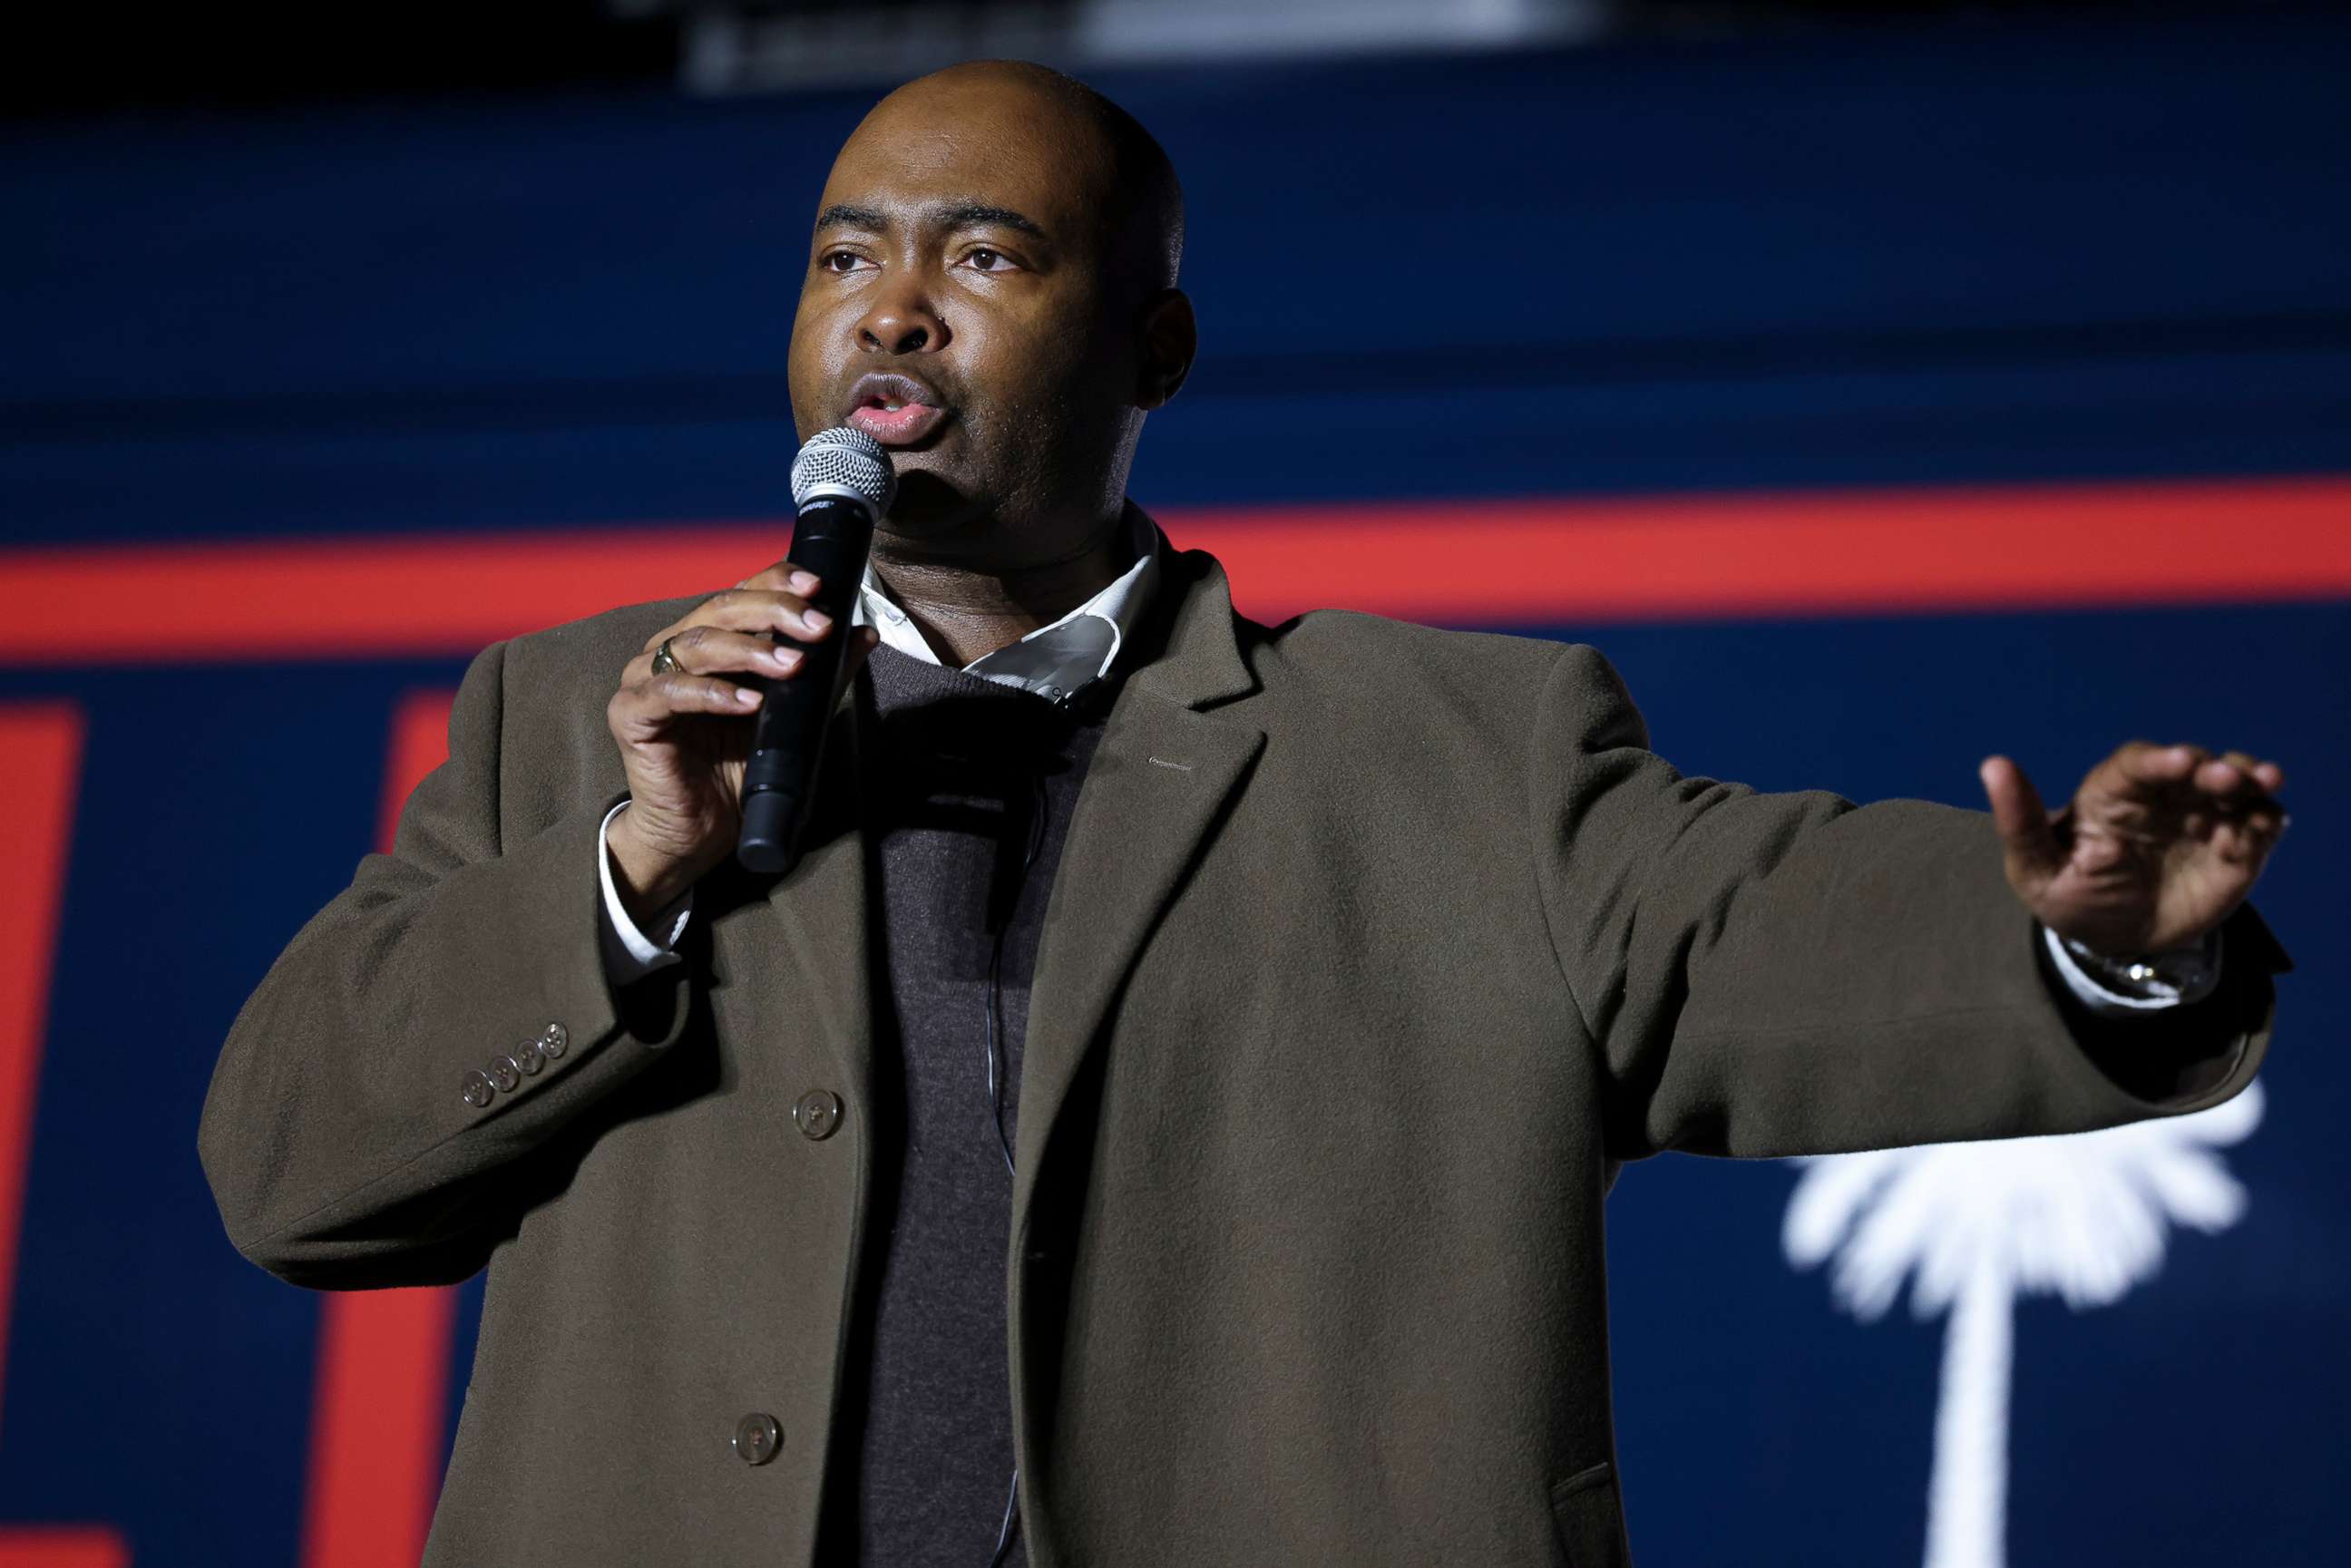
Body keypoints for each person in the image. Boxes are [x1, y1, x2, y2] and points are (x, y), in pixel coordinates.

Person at [199, 61, 2291, 1568]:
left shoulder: (1454, 751)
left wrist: (2091, 937)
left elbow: (1755, 929)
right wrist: (632, 873)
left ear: (1155, 344)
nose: (891, 310)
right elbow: (297, 1172)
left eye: (982, 254)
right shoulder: (577, 718)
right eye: (847, 252)